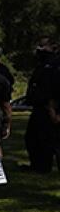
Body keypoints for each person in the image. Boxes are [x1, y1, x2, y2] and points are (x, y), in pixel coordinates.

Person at [25, 38, 60, 173]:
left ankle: (43, 167)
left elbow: (54, 88)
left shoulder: (55, 65)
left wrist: (53, 108)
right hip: (39, 107)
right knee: (32, 138)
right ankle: (37, 165)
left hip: (49, 107)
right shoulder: (42, 65)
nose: (39, 50)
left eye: (43, 47)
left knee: (48, 140)